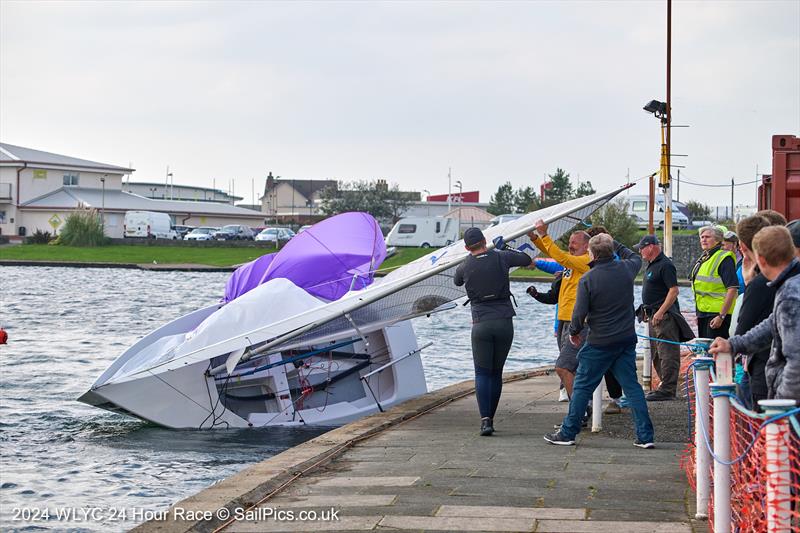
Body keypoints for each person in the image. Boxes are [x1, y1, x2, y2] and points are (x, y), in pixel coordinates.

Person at [543, 234, 654, 448]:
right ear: (611, 250)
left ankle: (568, 432)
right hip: (625, 339)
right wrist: (615, 241)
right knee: (632, 387)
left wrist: (574, 331)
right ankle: (645, 436)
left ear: (592, 254)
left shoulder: (588, 279)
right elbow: (633, 256)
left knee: (583, 386)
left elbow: (579, 312)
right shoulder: (626, 270)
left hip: (599, 341)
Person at [454, 227, 532, 436]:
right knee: (496, 373)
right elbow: (525, 258)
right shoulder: (501, 257)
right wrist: (504, 247)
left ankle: (485, 421)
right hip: (504, 321)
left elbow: (457, 281)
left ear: (466, 247)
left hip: (481, 324)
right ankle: (492, 419)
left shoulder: (464, 266)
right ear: (484, 240)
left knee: (482, 373)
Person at [710, 226, 800, 401]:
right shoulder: (790, 283)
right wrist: (734, 345)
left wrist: (780, 407)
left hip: (789, 406)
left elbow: (796, 361)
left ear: (761, 260)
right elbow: (771, 324)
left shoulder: (790, 294)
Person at [528, 220, 591, 400]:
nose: (570, 246)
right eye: (569, 243)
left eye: (574, 244)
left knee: (564, 366)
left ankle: (579, 409)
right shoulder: (571, 263)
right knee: (568, 367)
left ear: (586, 246)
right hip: (564, 320)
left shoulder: (585, 261)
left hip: (577, 323)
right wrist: (534, 238)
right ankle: (581, 407)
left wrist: (544, 235)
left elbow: (561, 257)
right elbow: (556, 254)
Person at [635, 235, 695, 401]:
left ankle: (668, 389)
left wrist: (661, 311)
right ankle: (663, 385)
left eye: (642, 247)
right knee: (656, 353)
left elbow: (674, 290)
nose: (640, 251)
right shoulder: (652, 265)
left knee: (667, 353)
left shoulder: (665, 265)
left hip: (665, 317)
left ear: (652, 247)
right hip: (653, 315)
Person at [732, 215, 774, 409]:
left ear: (742, 246)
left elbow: (743, 329)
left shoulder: (760, 284)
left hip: (762, 370)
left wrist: (750, 286)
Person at [690, 225, 739, 339]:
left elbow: (732, 289)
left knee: (718, 353)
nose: (703, 239)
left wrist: (721, 316)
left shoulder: (724, 258)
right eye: (702, 237)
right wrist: (699, 314)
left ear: (717, 240)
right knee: (706, 351)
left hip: (718, 314)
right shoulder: (705, 258)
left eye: (707, 237)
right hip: (703, 313)